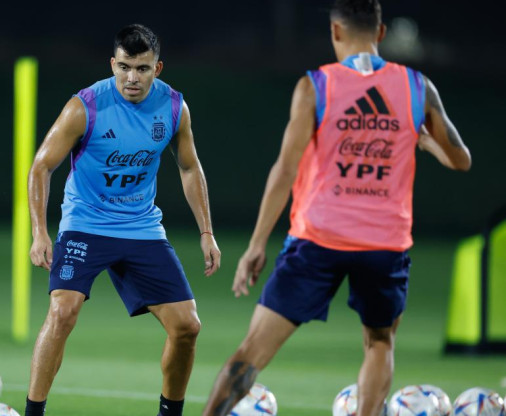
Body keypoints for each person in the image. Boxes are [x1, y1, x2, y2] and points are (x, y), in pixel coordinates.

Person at [201, 1, 471, 415]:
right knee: (379, 343)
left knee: (253, 349)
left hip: (318, 239)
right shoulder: (418, 87)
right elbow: (461, 159)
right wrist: (423, 138)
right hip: (385, 244)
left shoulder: (316, 86)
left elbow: (284, 171)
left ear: (336, 32)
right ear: (381, 33)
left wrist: (257, 244)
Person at [25, 23, 221, 416]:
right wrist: (40, 232)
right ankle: (33, 412)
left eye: (143, 68)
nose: (132, 77)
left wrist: (206, 232)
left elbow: (189, 167)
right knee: (63, 311)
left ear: (158, 68)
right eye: (125, 67)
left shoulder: (173, 107)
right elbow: (41, 167)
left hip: (141, 227)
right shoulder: (85, 107)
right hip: (86, 223)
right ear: (112, 64)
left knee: (188, 327)